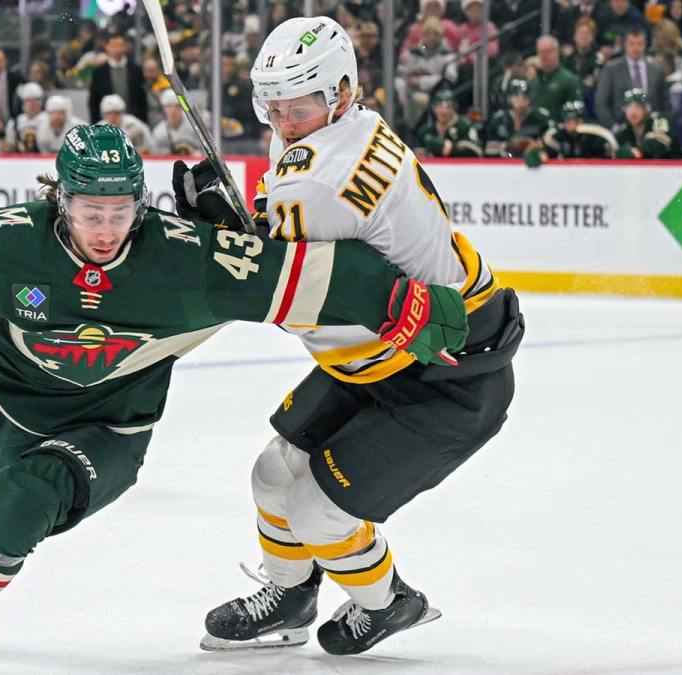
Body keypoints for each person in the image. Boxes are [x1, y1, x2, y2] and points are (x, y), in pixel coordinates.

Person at [0, 123, 469, 674]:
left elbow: (298, 275)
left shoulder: (181, 257)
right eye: (90, 211)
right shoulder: (7, 244)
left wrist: (395, 299)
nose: (106, 229)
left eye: (120, 211)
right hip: (1, 397)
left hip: (109, 427)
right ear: (58, 200)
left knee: (22, 505)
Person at [174, 16, 522, 657]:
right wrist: (246, 224)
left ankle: (390, 603)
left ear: (337, 92)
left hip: (446, 381)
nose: (282, 122)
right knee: (272, 474)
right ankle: (288, 596)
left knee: (317, 512)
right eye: (272, 107)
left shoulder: (317, 176)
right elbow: (299, 233)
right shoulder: (340, 129)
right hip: (391, 353)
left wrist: (223, 236)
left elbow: (285, 293)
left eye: (296, 107)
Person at [594, 26, 668, 128]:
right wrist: (614, 127)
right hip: (621, 126)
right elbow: (601, 103)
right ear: (625, 44)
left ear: (645, 45)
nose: (636, 48)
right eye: (632, 43)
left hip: (652, 127)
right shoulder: (611, 69)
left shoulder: (656, 70)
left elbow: (665, 102)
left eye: (639, 44)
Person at [484, 78, 553, 157]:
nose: (521, 101)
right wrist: (505, 149)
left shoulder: (541, 117)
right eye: (516, 96)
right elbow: (490, 151)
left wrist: (538, 149)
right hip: (504, 165)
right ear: (510, 98)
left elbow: (550, 148)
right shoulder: (498, 120)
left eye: (525, 97)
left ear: (530, 98)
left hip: (533, 165)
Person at [529, 35, 583, 122]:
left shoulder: (569, 80)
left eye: (547, 52)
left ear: (557, 52)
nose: (544, 56)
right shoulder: (533, 81)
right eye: (541, 52)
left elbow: (576, 110)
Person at [613, 88, 678, 158]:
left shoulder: (657, 121)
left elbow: (658, 145)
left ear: (646, 109)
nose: (632, 111)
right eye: (628, 107)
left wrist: (638, 152)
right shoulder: (624, 130)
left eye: (637, 107)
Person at [415, 89, 482, 157]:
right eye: (440, 106)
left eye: (448, 106)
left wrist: (452, 148)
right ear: (434, 108)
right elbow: (418, 157)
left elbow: (476, 154)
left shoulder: (465, 127)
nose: (444, 111)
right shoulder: (426, 130)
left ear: (454, 108)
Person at [543, 99, 616, 158]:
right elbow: (548, 151)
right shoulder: (558, 134)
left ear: (583, 120)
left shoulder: (595, 134)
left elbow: (608, 154)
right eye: (568, 120)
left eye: (576, 120)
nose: (571, 124)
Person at [151, 89, 204, 155]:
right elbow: (155, 156)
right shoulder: (159, 132)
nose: (173, 110)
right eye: (169, 106)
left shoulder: (195, 127)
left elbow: (205, 152)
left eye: (177, 106)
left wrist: (193, 153)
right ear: (163, 109)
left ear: (182, 107)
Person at [4, 82, 46, 152]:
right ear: (22, 103)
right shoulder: (14, 123)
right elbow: (9, 145)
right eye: (28, 100)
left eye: (36, 100)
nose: (32, 104)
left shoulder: (48, 119)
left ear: (42, 102)